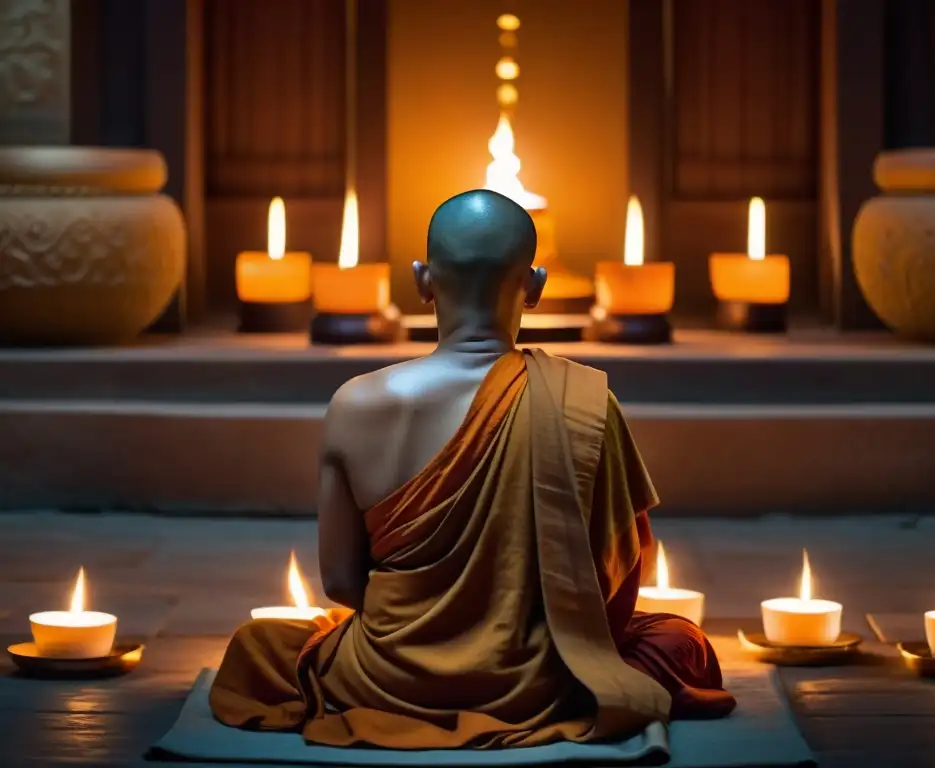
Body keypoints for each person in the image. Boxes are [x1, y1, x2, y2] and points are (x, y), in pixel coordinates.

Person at [210, 189, 735, 749]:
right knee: (681, 643)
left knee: (258, 647)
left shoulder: (355, 403)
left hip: (386, 675)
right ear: (535, 287)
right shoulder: (583, 401)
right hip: (541, 679)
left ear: (422, 280)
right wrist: (511, 632)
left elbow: (340, 582)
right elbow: (615, 577)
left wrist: (430, 627)